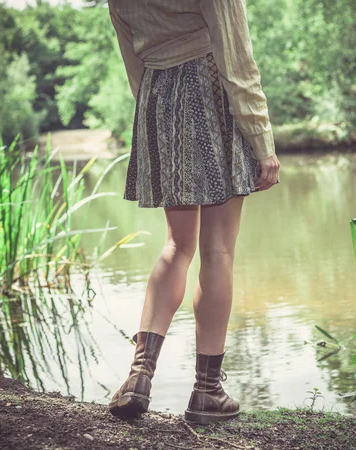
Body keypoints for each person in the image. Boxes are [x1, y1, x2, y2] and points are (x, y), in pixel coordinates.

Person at [106, 0, 280, 425]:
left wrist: (158, 119)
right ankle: (207, 392)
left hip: (156, 97)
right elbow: (238, 63)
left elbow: (133, 63)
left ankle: (137, 378)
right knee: (217, 251)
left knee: (176, 246)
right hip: (210, 92)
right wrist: (263, 142)